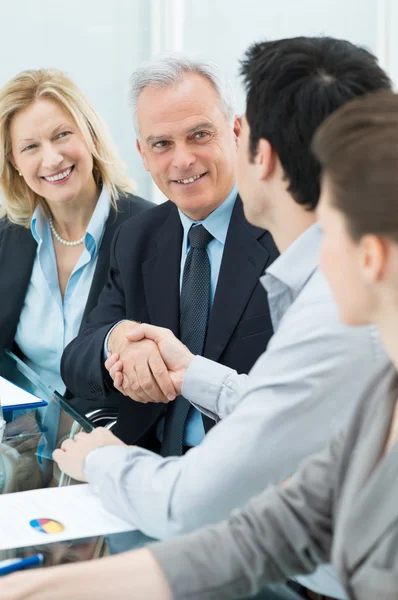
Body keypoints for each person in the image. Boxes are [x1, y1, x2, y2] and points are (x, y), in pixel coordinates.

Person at [2, 89, 398, 600]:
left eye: (323, 235)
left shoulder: (314, 300)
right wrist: (45, 587)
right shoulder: (376, 395)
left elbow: (211, 506)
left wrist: (104, 460)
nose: (296, 264)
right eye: (162, 142)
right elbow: (270, 533)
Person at [61, 56, 278, 453]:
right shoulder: (137, 235)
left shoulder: (286, 232)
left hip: (248, 475)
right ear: (143, 154)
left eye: (199, 135)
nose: (181, 160)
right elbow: (76, 360)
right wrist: (121, 341)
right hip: (146, 462)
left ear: (236, 131)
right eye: (162, 144)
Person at [0, 68, 153, 404]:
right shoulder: (7, 236)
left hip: (115, 438)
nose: (52, 159)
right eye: (30, 147)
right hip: (22, 439)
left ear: (90, 135)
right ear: (14, 163)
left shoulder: (151, 231)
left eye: (62, 135)